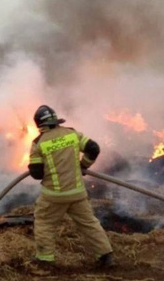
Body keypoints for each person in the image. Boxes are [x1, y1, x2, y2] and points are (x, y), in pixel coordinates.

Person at [28, 105, 114, 270]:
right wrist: (83, 165)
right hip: (77, 193)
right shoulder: (72, 134)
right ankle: (105, 255)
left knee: (45, 223)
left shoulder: (38, 143)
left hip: (53, 195)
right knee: (89, 223)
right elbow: (93, 148)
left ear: (40, 124)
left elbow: (37, 173)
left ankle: (45, 260)